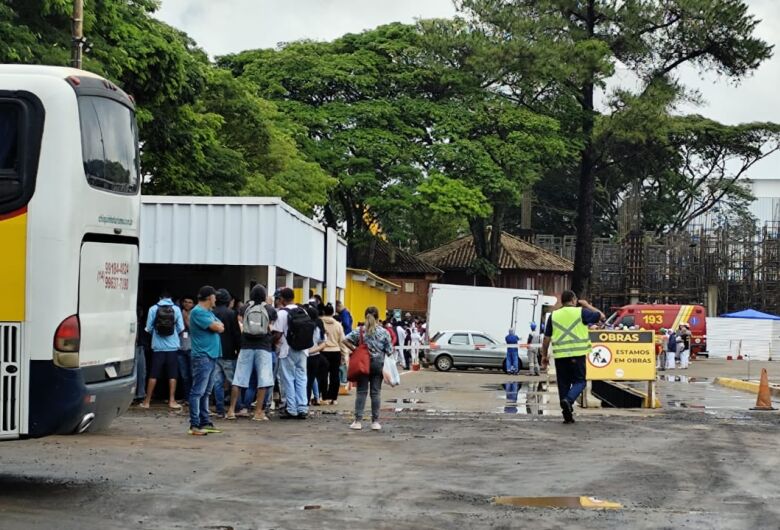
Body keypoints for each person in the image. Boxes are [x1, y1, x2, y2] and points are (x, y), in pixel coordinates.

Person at [540, 290, 604, 424]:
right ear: (574, 300)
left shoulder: (554, 315)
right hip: (577, 355)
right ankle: (568, 400)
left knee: (563, 384)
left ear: (562, 301)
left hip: (560, 356)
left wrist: (544, 356)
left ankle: (567, 415)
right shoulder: (581, 312)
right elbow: (601, 316)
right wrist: (587, 305)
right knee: (580, 382)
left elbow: (546, 338)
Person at [227, 284, 277, 421]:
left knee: (239, 378)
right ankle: (258, 412)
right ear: (264, 295)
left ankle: (231, 410)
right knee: (263, 380)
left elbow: (242, 324)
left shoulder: (244, 308)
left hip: (246, 346)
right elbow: (272, 327)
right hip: (264, 347)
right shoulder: (270, 309)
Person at [343, 306, 393, 431]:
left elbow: (345, 340)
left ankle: (358, 421)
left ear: (365, 316)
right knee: (376, 393)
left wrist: (355, 349)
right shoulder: (384, 332)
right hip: (378, 364)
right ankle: (375, 422)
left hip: (362, 364)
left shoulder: (359, 330)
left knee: (361, 392)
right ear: (378, 317)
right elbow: (389, 350)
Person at [187, 285, 225, 436]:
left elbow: (221, 326)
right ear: (209, 297)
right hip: (202, 356)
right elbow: (217, 327)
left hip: (211, 356)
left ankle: (205, 421)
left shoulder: (208, 312)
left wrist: (217, 326)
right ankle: (195, 424)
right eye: (214, 296)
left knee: (206, 392)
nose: (216, 299)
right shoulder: (198, 312)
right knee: (198, 391)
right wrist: (217, 326)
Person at [273, 287, 314, 419]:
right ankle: (302, 407)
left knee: (288, 379)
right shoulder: (303, 311)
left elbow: (278, 334)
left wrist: (272, 342)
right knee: (302, 378)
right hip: (303, 349)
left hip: (287, 349)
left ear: (282, 299)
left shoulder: (282, 313)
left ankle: (291, 409)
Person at [141, 291, 185, 410]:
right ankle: (172, 400)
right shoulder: (176, 309)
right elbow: (181, 328)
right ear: (171, 298)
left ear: (160, 297)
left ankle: (147, 401)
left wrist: (156, 334)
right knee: (172, 375)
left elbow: (148, 328)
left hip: (158, 347)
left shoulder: (153, 309)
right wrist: (173, 334)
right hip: (172, 347)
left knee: (153, 374)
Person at [212, 288, 241, 418]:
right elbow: (236, 333)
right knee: (233, 381)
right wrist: (239, 349)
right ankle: (236, 406)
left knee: (217, 382)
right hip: (229, 352)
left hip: (214, 352)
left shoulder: (211, 313)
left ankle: (219, 408)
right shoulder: (231, 313)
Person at [320, 303, 347, 405]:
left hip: (323, 351)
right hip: (336, 351)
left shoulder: (320, 323)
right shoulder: (338, 325)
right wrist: (344, 354)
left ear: (323, 312)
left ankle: (324, 396)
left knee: (323, 375)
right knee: (334, 375)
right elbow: (342, 341)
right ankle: (333, 397)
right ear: (333, 313)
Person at [304, 304, 328, 406]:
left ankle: (304, 400)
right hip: (315, 356)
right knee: (310, 380)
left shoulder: (305, 326)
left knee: (303, 379)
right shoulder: (319, 328)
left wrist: (308, 351)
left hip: (304, 355)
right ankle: (308, 400)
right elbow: (323, 343)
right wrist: (314, 350)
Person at [177, 296, 195, 400]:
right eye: (185, 302)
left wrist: (185, 318)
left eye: (190, 302)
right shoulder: (177, 312)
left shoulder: (195, 314)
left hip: (191, 348)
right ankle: (187, 398)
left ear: (193, 304)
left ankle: (193, 398)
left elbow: (192, 329)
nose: (187, 304)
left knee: (193, 374)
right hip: (180, 348)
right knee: (184, 376)